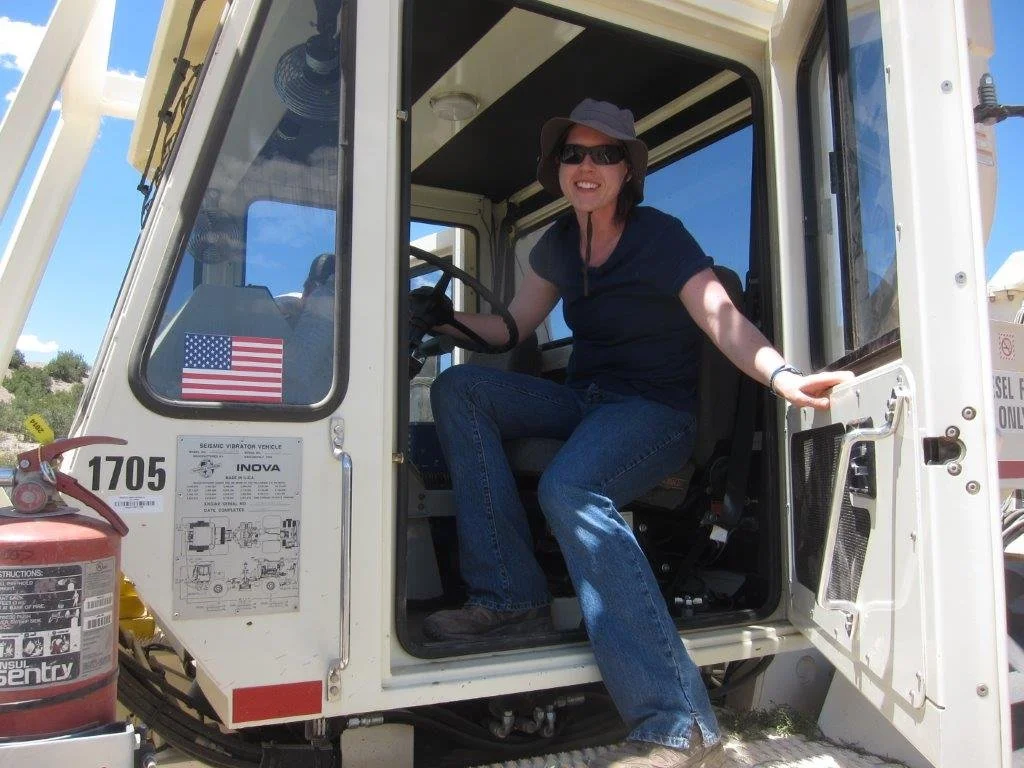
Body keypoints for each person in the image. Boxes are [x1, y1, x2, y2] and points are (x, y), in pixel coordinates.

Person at [411, 99, 852, 768]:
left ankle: (679, 724)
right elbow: (512, 329)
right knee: (460, 387)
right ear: (557, 167)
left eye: (605, 154)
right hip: (585, 401)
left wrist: (782, 376)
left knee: (571, 486)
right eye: (574, 154)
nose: (588, 166)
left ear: (627, 170)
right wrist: (443, 321)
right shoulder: (557, 244)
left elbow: (721, 318)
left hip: (654, 413)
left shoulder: (659, 236)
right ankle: (509, 599)